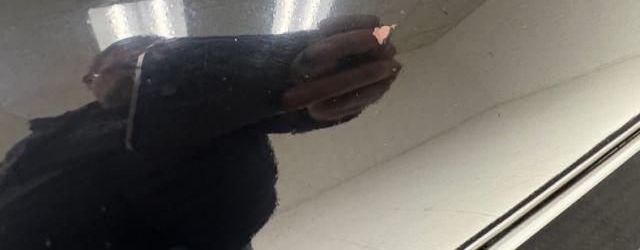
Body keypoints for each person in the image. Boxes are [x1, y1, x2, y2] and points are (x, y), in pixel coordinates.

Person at [0, 15, 400, 250]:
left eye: (149, 56)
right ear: (91, 79)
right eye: (120, 62)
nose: (135, 62)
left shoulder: (208, 113)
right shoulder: (40, 137)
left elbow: (274, 103)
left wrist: (327, 70)